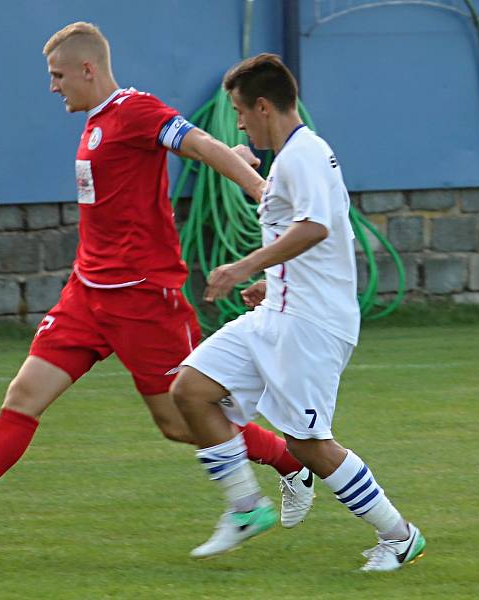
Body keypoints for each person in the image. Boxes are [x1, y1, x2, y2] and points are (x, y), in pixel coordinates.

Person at [0, 23, 315, 543]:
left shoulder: (136, 110)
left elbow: (198, 142)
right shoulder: (95, 121)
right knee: (23, 395)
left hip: (143, 298)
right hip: (86, 297)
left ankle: (289, 463)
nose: (53, 87)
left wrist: (256, 185)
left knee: (182, 421)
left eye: (58, 75)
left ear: (87, 69)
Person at [170, 53, 426, 571]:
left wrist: (244, 267)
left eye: (241, 111)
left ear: (263, 106)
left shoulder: (304, 155)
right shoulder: (295, 157)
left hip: (312, 325)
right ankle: (245, 507)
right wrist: (273, 281)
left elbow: (316, 228)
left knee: (309, 445)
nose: (239, 121)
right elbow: (327, 235)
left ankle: (399, 536)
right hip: (281, 313)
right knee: (190, 390)